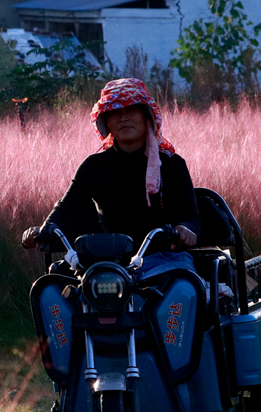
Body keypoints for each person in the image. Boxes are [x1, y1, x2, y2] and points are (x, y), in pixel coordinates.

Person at [24, 78, 200, 279]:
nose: (123, 118)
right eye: (115, 112)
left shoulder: (171, 164)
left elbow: (191, 216)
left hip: (164, 261)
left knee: (183, 290)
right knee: (50, 290)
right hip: (105, 264)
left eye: (131, 110)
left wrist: (185, 229)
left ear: (147, 117)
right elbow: (67, 206)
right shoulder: (94, 166)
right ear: (106, 122)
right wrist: (45, 229)